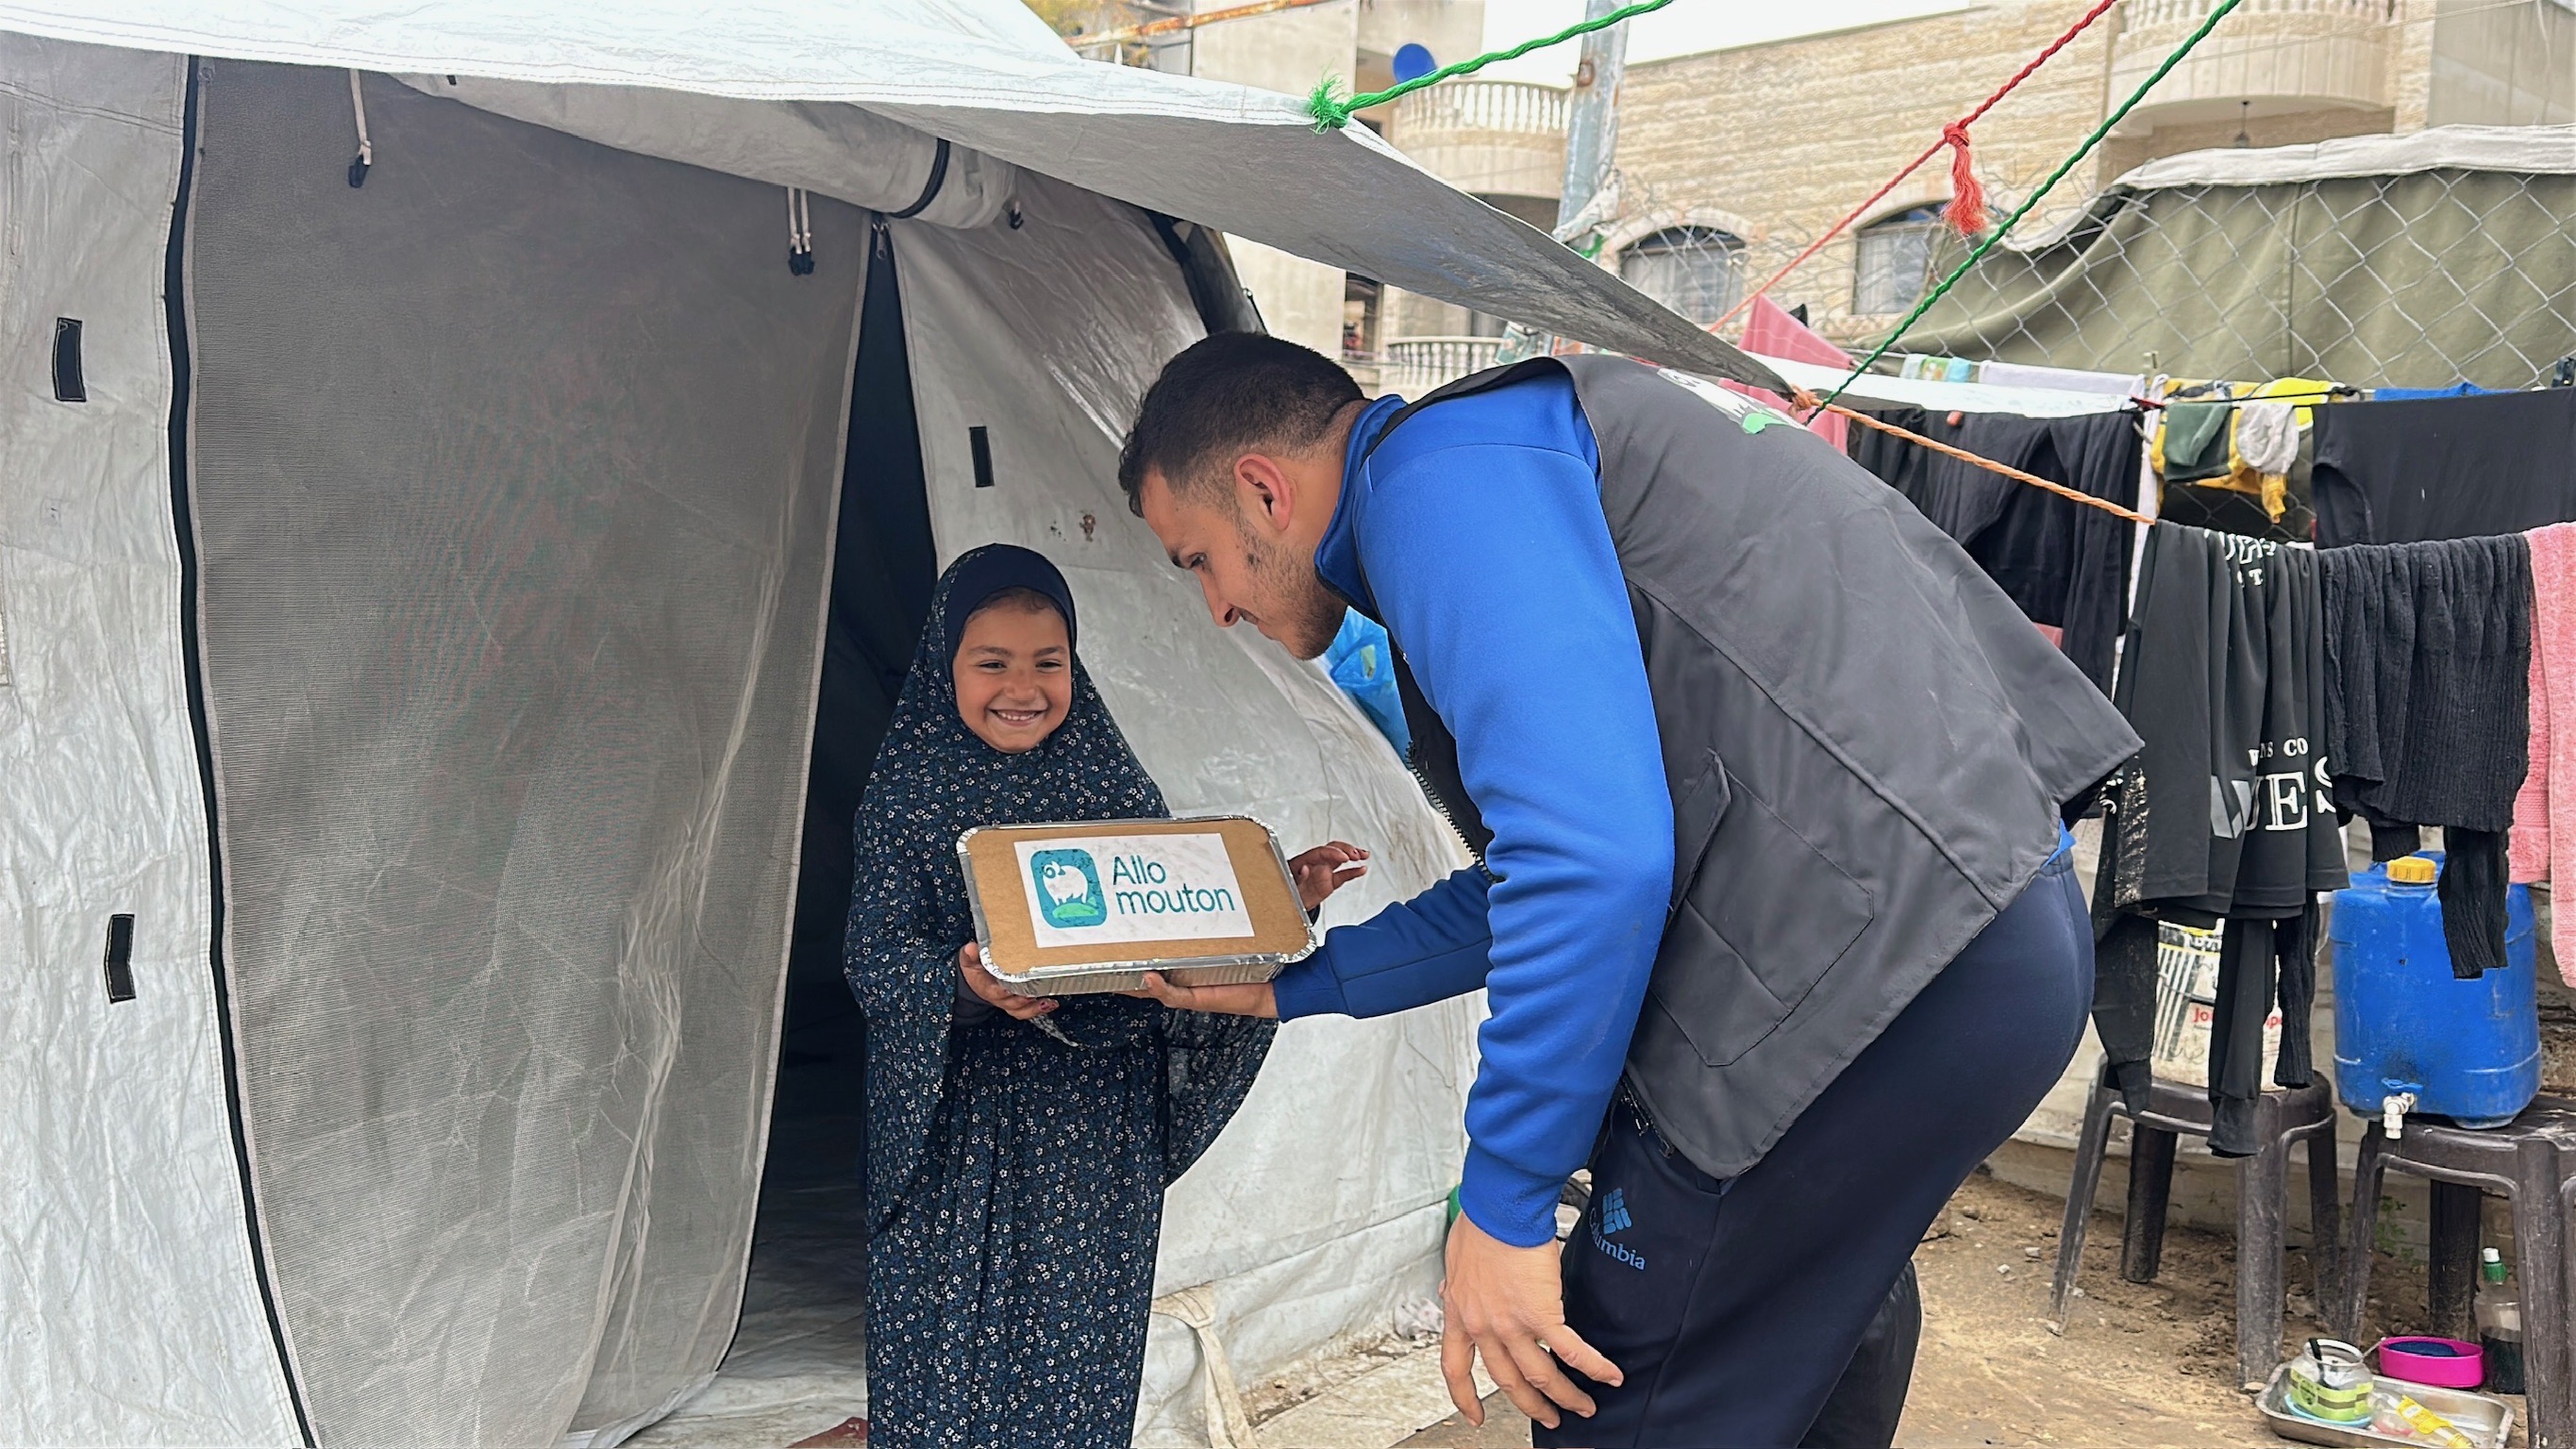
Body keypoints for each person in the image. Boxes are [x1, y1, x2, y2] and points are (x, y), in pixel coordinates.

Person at [1117, 336, 2142, 1447]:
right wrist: (1299, 987)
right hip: (1985, 938)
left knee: (1620, 1401)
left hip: (1856, 984)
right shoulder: (1534, 437)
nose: (1216, 609)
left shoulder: (1430, 482)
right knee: (1805, 1358)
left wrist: (1504, 1208)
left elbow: (1590, 862)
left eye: (1197, 561)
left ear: (1264, 491)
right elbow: (1551, 868)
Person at [845, 543, 1364, 1448]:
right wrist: (960, 986)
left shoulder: (1106, 780)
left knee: (1080, 1351)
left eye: (1049, 663)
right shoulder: (907, 793)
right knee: (950, 1352)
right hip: (964, 1136)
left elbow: (1170, 908)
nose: (1024, 687)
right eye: (991, 662)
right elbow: (872, 956)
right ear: (944, 664)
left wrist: (1279, 895)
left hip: (1091, 1133)